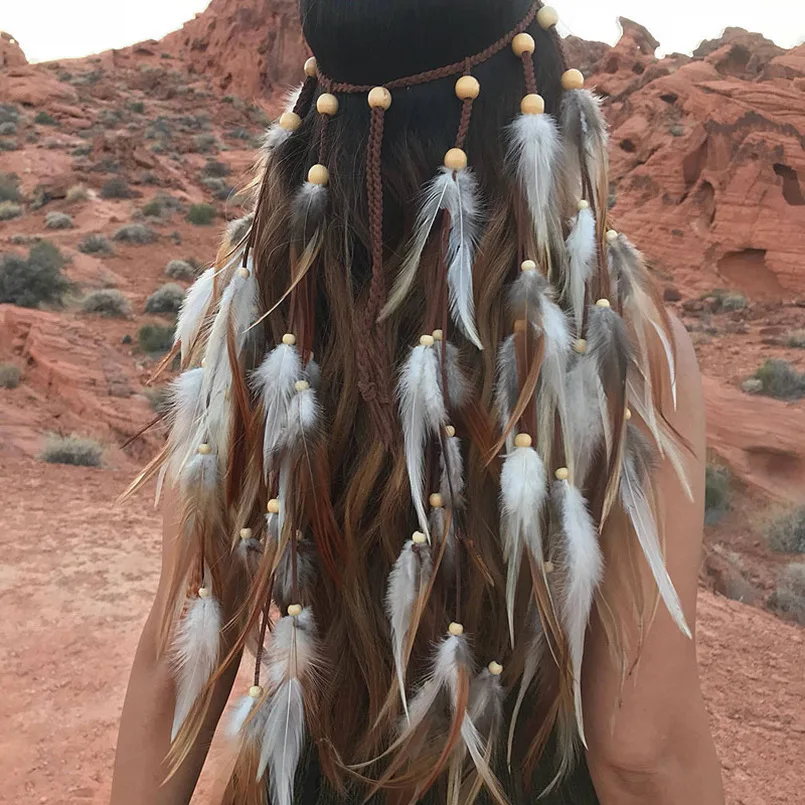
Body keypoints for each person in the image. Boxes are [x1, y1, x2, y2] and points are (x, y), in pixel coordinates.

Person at [110, 1, 724, 803]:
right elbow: (640, 748)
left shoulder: (255, 316)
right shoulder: (614, 340)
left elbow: (176, 655)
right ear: (539, 96)